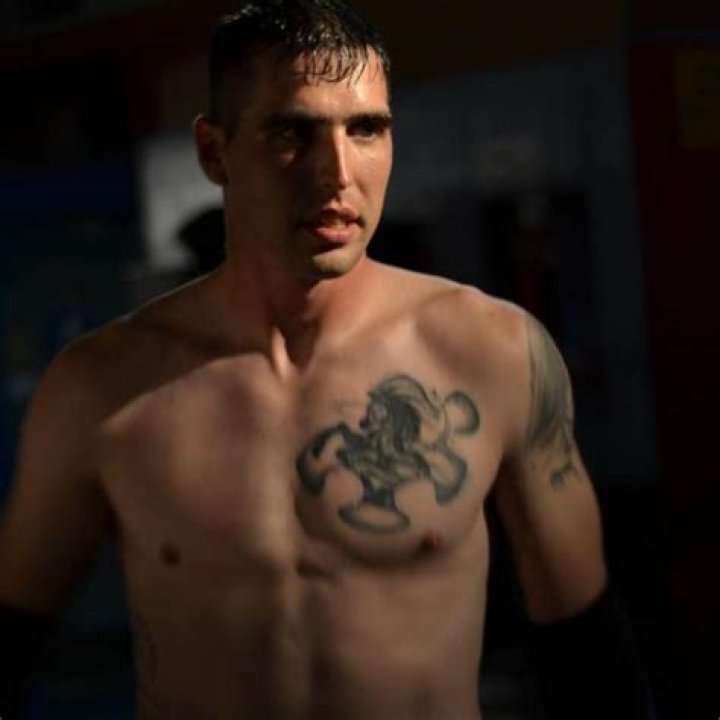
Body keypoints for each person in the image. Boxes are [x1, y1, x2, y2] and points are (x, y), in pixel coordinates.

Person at [0, 1, 653, 718]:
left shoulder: (495, 351)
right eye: (293, 131)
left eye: (366, 129)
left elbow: (589, 653)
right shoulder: (101, 386)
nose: (337, 173)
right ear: (215, 152)